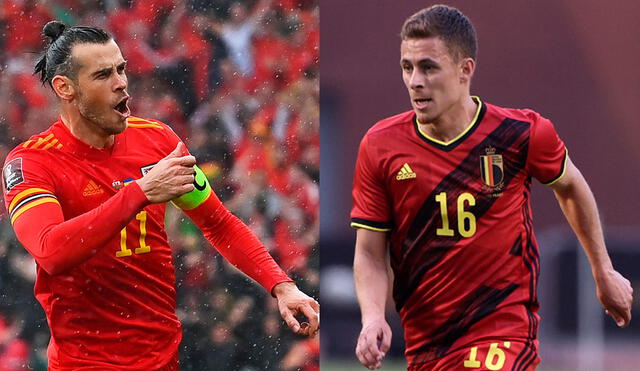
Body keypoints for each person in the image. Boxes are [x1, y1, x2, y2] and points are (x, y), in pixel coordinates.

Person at [1, 21, 319, 370]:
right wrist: (140, 192)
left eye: (121, 69)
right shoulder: (31, 163)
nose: (121, 82)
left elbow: (219, 224)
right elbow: (51, 252)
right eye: (103, 75)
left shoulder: (158, 142)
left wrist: (281, 285)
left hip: (163, 360)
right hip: (85, 363)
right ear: (65, 88)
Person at [350, 5, 632, 371]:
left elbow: (571, 187)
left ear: (465, 70)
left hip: (505, 330)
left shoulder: (520, 134)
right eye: (407, 67)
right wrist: (372, 317)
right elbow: (371, 252)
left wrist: (603, 269)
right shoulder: (380, 146)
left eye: (428, 67)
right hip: (428, 346)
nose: (415, 81)